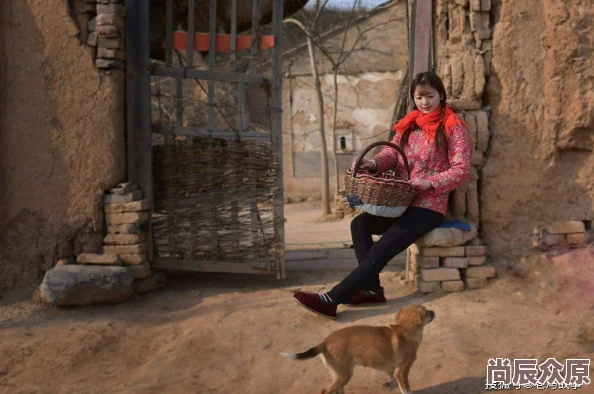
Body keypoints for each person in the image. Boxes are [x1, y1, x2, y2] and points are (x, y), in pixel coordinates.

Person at [293, 71, 472, 320]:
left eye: (430, 96)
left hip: (428, 206)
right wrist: (372, 164)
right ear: (413, 98)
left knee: (383, 249)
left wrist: (429, 182)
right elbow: (392, 155)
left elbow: (461, 169)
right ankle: (371, 289)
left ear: (441, 95)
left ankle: (332, 299)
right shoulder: (409, 125)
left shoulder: (453, 128)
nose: (425, 102)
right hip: (400, 200)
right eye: (419, 97)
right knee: (360, 225)